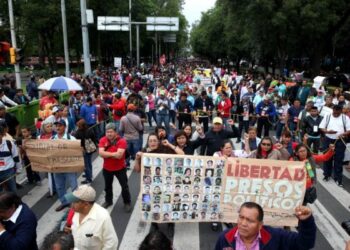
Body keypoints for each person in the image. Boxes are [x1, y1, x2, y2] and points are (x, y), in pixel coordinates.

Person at [214, 202, 316, 250]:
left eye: (250, 220)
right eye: (241, 217)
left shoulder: (276, 236)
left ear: (260, 225)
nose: (243, 223)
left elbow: (305, 244)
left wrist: (307, 221)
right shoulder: (225, 238)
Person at [64, 185, 118, 250]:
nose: (71, 205)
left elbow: (111, 244)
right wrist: (73, 230)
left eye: (75, 202)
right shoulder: (76, 211)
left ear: (86, 204)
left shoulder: (103, 217)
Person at [99, 123, 131, 211]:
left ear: (116, 132)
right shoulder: (102, 140)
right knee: (107, 186)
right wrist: (114, 154)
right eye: (107, 132)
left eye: (111, 132)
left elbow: (119, 156)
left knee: (124, 186)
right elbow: (100, 153)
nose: (109, 134)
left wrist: (107, 155)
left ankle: (127, 202)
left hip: (120, 168)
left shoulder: (122, 141)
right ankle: (108, 201)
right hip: (107, 168)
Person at [319, 104, 350, 186]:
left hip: (340, 140)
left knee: (338, 160)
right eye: (334, 112)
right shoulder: (328, 116)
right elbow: (321, 127)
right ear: (333, 110)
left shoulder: (345, 118)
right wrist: (327, 131)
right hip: (328, 139)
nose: (336, 114)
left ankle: (338, 179)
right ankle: (327, 175)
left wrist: (343, 134)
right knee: (327, 158)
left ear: (341, 111)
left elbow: (349, 130)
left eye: (338, 113)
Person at [52, 120, 78, 212]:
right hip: (57, 167)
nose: (58, 128)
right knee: (59, 186)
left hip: (69, 167)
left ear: (65, 127)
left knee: (73, 186)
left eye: (60, 125)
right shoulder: (51, 139)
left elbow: (77, 152)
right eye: (56, 126)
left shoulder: (71, 139)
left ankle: (74, 204)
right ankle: (64, 202)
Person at [74, 119, 97, 184]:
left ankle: (88, 178)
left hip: (84, 150)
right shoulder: (89, 130)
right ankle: (90, 174)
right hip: (90, 149)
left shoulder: (78, 132)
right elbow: (94, 138)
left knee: (86, 165)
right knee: (89, 163)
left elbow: (77, 142)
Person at [119, 103, 143, 168]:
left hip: (126, 137)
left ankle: (127, 164)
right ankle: (137, 164)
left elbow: (120, 129)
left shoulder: (123, 118)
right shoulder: (137, 118)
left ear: (127, 109)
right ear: (134, 109)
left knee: (127, 152)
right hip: (135, 137)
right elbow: (140, 128)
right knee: (136, 152)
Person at [0, 125, 19, 193]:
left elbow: (16, 157)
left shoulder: (9, 143)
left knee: (13, 190)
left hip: (9, 171)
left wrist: (18, 169)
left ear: (2, 134)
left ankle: (16, 203)